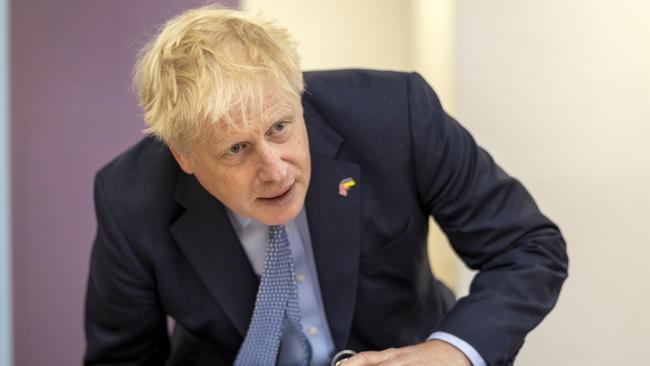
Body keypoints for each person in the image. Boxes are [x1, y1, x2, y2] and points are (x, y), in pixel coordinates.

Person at [84, 5, 568, 366]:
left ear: (296, 94)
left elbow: (526, 247)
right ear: (184, 157)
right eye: (235, 149)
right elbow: (121, 360)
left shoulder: (398, 117)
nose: (275, 171)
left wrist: (451, 351)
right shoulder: (129, 198)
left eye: (280, 128)